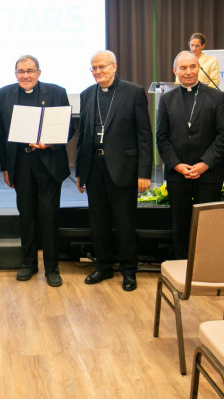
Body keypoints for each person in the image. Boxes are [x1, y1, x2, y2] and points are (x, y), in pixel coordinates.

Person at [75, 50, 152, 290]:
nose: (98, 71)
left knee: (125, 223)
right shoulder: (87, 94)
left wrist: (144, 173)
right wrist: (80, 172)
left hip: (123, 169)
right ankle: (103, 267)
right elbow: (83, 137)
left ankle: (129, 271)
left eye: (102, 67)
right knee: (98, 223)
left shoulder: (133, 92)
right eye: (94, 68)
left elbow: (144, 136)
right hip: (94, 168)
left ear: (114, 66)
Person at [0, 55, 73, 288]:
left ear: (39, 72)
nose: (25, 76)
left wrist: (50, 142)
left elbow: (69, 127)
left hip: (48, 164)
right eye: (20, 71)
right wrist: (5, 168)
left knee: (49, 217)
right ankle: (28, 264)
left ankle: (52, 268)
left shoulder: (57, 92)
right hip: (21, 164)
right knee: (26, 216)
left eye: (30, 71)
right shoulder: (3, 94)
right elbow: (1, 135)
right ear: (15, 74)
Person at [156, 51, 224, 259]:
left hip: (209, 174)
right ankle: (181, 266)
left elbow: (223, 135)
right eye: (183, 68)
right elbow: (161, 137)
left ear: (199, 68)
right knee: (180, 224)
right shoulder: (167, 99)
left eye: (192, 67)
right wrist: (177, 165)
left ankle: (207, 265)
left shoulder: (217, 97)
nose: (188, 72)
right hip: (178, 175)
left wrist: (205, 163)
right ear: (175, 71)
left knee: (209, 224)